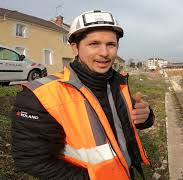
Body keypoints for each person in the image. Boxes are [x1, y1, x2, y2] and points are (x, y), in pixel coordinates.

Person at [11, 10, 154, 180]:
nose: (105, 53)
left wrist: (146, 116)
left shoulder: (117, 83)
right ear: (75, 47)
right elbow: (31, 160)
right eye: (94, 44)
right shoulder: (40, 96)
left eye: (111, 44)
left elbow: (129, 124)